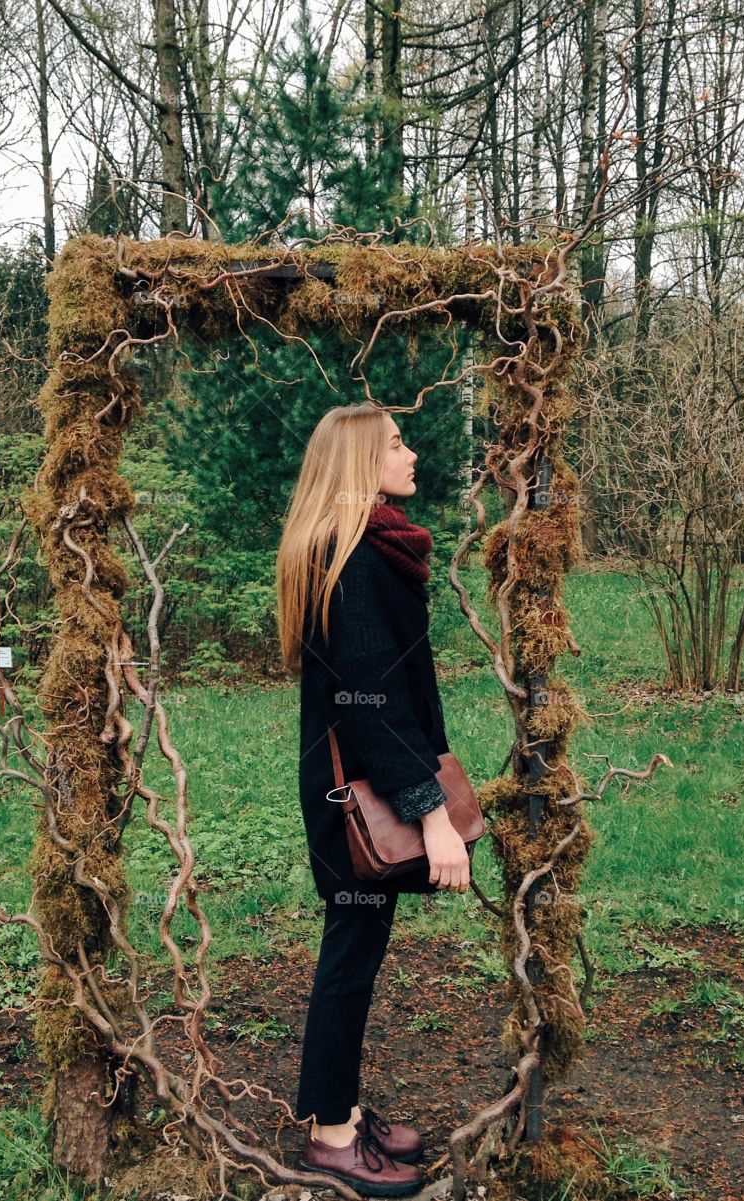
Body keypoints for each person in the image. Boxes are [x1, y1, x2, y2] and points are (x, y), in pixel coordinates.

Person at [275, 403, 470, 1197]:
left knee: (354, 952)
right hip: (359, 799)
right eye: (396, 442)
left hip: (353, 789)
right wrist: (433, 812)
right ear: (360, 460)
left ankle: (340, 1107)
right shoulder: (353, 561)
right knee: (349, 960)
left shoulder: (359, 549)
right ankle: (330, 1137)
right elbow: (369, 707)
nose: (412, 452)